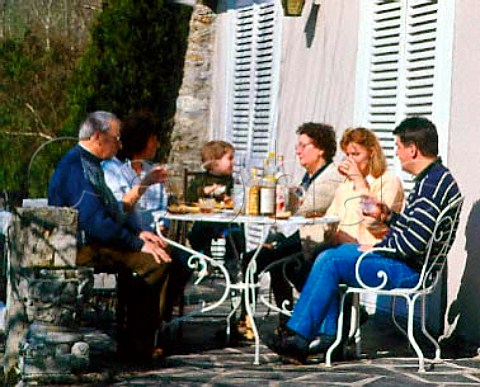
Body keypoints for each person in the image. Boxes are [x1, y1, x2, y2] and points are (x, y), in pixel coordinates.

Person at [267, 117, 462, 364]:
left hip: (410, 270)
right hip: (410, 263)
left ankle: (302, 337)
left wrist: (379, 247)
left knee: (331, 260)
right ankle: (325, 338)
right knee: (331, 254)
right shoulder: (434, 179)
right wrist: (388, 216)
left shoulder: (431, 186)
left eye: (399, 147)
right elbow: (415, 230)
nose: (397, 153)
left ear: (412, 150)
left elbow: (414, 244)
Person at [48, 111, 171, 362]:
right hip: (79, 250)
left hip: (94, 243)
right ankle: (137, 348)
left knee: (155, 258)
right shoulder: (77, 168)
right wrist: (137, 244)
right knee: (154, 263)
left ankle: (134, 339)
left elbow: (109, 211)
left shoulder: (88, 163)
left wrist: (139, 232)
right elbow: (96, 223)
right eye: (116, 138)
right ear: (97, 136)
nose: (119, 145)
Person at [242, 122, 343, 330]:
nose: (297, 151)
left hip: (316, 243)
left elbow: (304, 208)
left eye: (303, 146)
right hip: (299, 237)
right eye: (297, 146)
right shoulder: (310, 175)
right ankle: (252, 318)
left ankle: (264, 321)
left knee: (261, 260)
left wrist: (284, 193)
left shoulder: (331, 177)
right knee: (254, 257)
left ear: (320, 149)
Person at [101, 112, 191, 322]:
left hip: (156, 235)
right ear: (141, 140)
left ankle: (159, 319)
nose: (157, 144)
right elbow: (118, 209)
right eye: (153, 138)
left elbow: (161, 208)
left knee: (185, 261)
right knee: (162, 261)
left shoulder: (152, 170)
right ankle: (147, 326)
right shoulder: (114, 171)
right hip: (126, 237)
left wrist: (163, 228)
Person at [186, 140, 245, 283]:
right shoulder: (201, 179)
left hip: (225, 222)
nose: (233, 162)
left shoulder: (231, 180)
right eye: (229, 159)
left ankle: (232, 264)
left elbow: (234, 199)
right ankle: (205, 260)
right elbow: (189, 196)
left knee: (236, 234)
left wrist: (227, 198)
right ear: (214, 162)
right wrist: (204, 191)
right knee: (196, 235)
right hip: (206, 220)